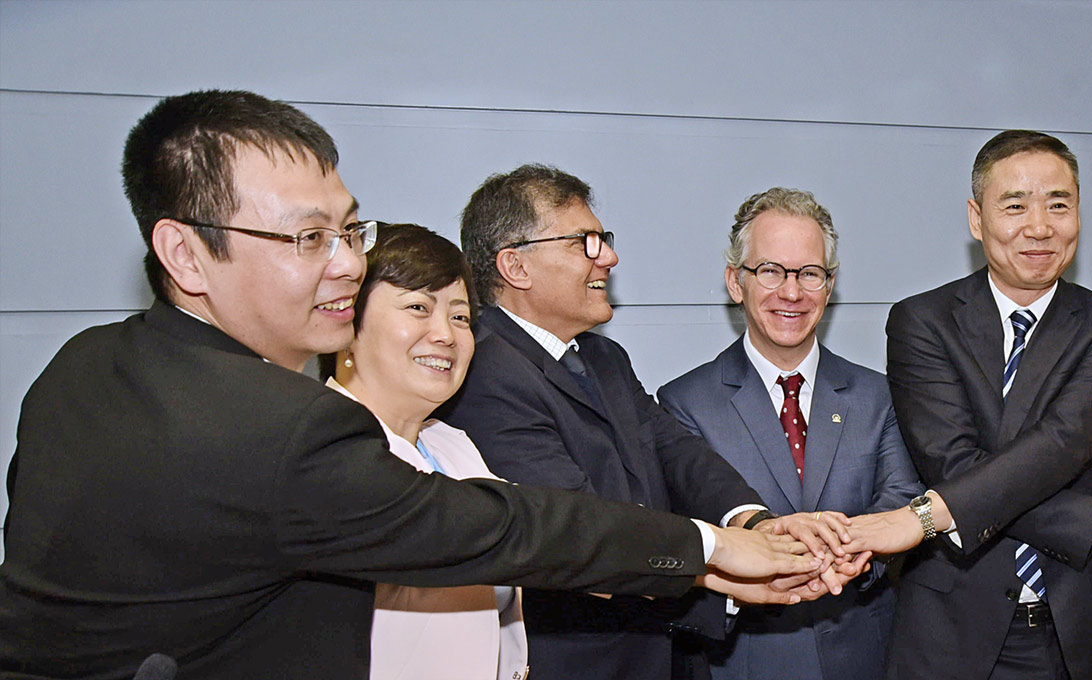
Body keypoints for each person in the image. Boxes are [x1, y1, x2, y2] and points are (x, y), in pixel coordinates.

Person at [0, 90, 820, 680]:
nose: (347, 262)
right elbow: (504, 528)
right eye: (308, 237)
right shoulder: (279, 425)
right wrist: (712, 547)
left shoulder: (80, 367)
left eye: (348, 227)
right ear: (184, 254)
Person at [438, 165, 861, 680]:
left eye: (604, 240)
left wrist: (755, 523)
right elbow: (579, 531)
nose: (609, 257)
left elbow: (676, 452)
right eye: (585, 242)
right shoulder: (483, 370)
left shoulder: (602, 358)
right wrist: (724, 564)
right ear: (515, 266)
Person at [841, 129, 1092, 680]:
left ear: (1079, 214)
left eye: (1057, 205)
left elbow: (1062, 445)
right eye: (1015, 206)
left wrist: (925, 516)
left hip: (1080, 628)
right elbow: (953, 466)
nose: (1039, 227)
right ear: (977, 218)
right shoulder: (923, 321)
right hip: (951, 624)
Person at [658, 187, 924, 680]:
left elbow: (900, 500)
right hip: (743, 660)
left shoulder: (877, 394)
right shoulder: (683, 404)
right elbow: (690, 538)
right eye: (771, 271)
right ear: (735, 282)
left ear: (830, 285)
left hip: (866, 653)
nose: (792, 292)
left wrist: (854, 555)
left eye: (809, 273)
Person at [325, 224, 529, 680]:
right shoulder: (324, 452)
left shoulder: (451, 443)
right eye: (418, 307)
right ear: (345, 323)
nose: (446, 335)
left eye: (460, 317)